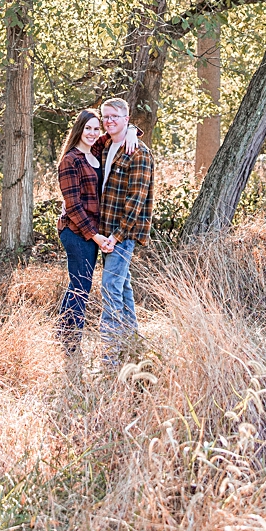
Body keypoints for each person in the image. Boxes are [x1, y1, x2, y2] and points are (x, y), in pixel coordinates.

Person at [55, 109, 136, 356]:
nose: (92, 133)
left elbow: (118, 130)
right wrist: (95, 236)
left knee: (79, 285)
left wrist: (132, 130)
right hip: (76, 231)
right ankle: (70, 345)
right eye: (87, 128)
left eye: (95, 128)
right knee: (81, 285)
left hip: (92, 231)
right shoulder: (71, 160)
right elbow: (73, 206)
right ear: (79, 130)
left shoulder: (97, 151)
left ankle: (62, 333)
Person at [95, 98, 155, 371]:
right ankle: (133, 344)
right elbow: (83, 140)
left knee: (110, 288)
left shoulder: (139, 153)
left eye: (115, 117)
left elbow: (136, 200)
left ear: (127, 117)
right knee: (122, 286)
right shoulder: (107, 144)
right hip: (107, 230)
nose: (109, 121)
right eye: (105, 117)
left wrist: (116, 237)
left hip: (124, 233)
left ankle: (110, 358)